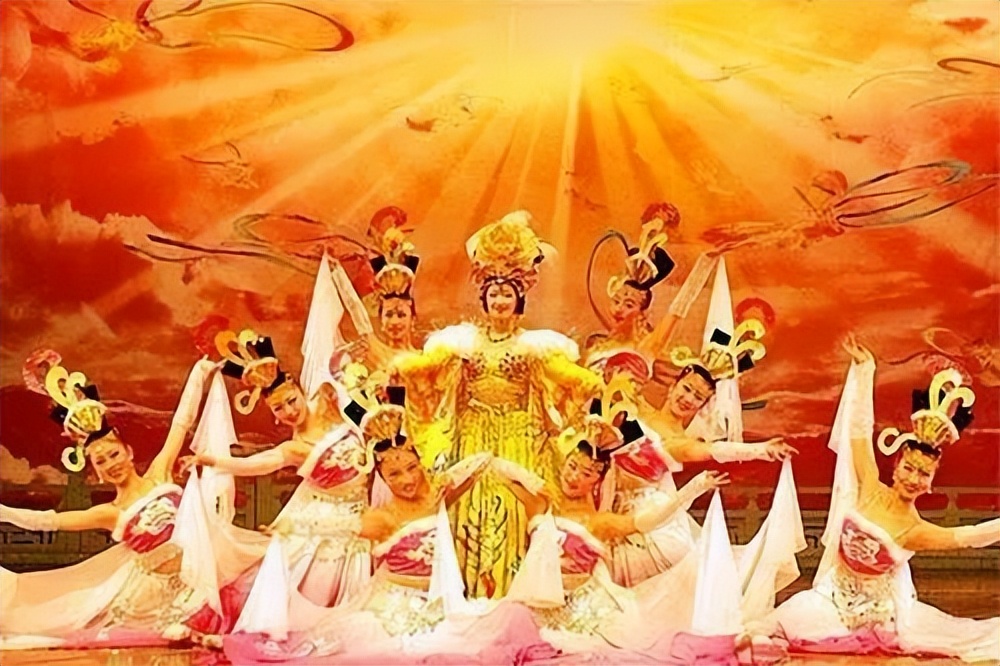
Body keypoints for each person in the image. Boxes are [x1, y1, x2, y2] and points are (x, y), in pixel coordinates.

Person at [223, 397, 548, 664]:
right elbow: (337, 528)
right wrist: (293, 527)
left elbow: (481, 461)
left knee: (511, 618)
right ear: (382, 478)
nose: (407, 480)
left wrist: (525, 478)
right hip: (389, 614)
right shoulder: (383, 518)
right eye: (394, 474)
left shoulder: (435, 494)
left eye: (411, 468)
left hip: (439, 605)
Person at [394, 210, 601, 598]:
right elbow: (430, 369)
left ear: (519, 298)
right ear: (484, 299)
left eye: (507, 294)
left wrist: (587, 383)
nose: (500, 301)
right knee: (469, 510)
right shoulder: (462, 341)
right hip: (473, 436)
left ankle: (515, 593)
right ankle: (467, 593)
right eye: (494, 294)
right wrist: (407, 367)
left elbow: (565, 377)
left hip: (520, 440)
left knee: (514, 510)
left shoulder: (535, 346)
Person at [769, 335, 1000, 662]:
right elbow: (859, 433)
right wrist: (866, 370)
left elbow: (972, 536)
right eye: (909, 468)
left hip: (871, 619)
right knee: (766, 627)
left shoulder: (915, 530)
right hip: (828, 598)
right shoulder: (870, 486)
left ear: (930, 484)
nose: (913, 478)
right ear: (896, 466)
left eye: (923, 474)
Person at [0, 358, 225, 648]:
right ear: (96, 472)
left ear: (128, 452)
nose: (111, 464)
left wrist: (198, 375)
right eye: (101, 461)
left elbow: (181, 423)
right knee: (169, 634)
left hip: (200, 574)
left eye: (114, 454)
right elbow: (46, 521)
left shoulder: (159, 474)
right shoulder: (110, 513)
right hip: (154, 594)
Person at [187, 330, 371, 617]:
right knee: (306, 589)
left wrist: (344, 364)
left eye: (291, 401)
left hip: (366, 507)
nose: (289, 411)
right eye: (278, 408)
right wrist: (211, 460)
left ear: (298, 388)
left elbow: (364, 413)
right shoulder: (294, 448)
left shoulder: (329, 399)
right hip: (331, 518)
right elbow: (255, 464)